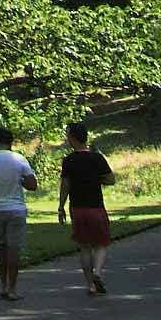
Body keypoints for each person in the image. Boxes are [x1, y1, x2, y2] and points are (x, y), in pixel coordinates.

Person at [0, 124, 38, 302]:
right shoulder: (19, 159)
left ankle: (3, 286)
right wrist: (20, 181)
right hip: (17, 208)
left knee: (1, 247)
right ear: (11, 142)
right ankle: (13, 288)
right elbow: (33, 185)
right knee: (14, 249)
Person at [58, 121, 116, 295]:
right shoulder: (97, 158)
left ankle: (90, 284)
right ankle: (97, 272)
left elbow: (65, 185)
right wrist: (97, 179)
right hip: (96, 207)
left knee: (84, 247)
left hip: (77, 208)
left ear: (72, 138)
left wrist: (61, 206)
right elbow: (111, 179)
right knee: (102, 243)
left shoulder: (68, 161)